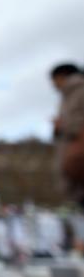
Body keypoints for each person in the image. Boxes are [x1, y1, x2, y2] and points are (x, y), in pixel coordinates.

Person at [52, 63, 84, 206]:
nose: (53, 85)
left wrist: (62, 125)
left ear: (62, 76)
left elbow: (77, 121)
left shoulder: (79, 92)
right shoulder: (69, 95)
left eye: (54, 80)